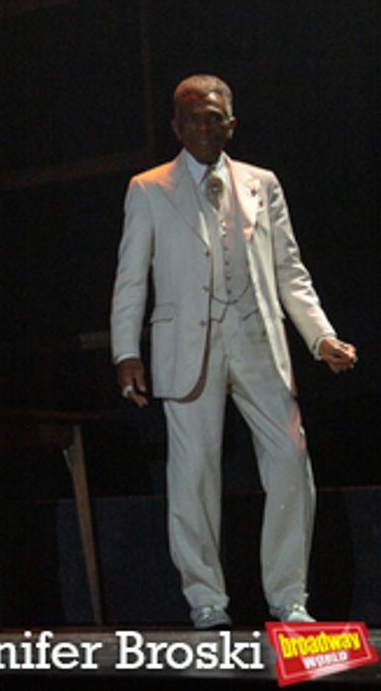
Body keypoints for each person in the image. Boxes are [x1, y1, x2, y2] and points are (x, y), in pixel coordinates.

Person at [110, 74, 358, 628]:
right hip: (185, 344)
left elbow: (290, 270)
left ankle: (289, 597)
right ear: (176, 126)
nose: (203, 125)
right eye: (193, 117)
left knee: (291, 458)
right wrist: (126, 350)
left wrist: (319, 336)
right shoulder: (149, 188)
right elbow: (130, 278)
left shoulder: (261, 183)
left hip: (255, 335)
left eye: (213, 116)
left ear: (231, 124)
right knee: (193, 473)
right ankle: (206, 600)